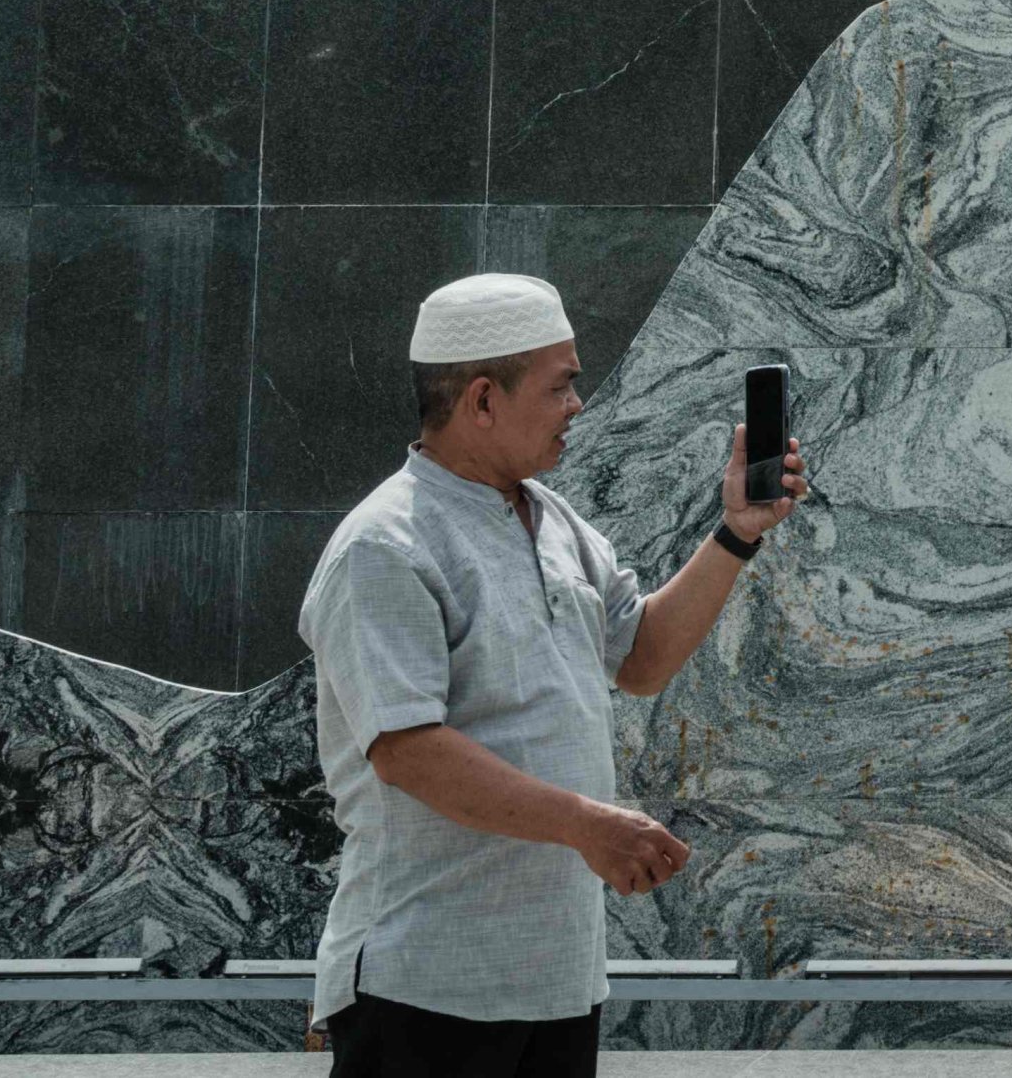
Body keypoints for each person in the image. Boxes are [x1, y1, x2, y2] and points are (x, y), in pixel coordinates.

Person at [298, 274, 809, 1078]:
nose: (578, 405)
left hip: (556, 981)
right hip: (427, 984)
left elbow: (639, 659)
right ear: (480, 401)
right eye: (562, 384)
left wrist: (735, 534)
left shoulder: (555, 521)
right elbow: (407, 750)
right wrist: (587, 824)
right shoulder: (385, 546)